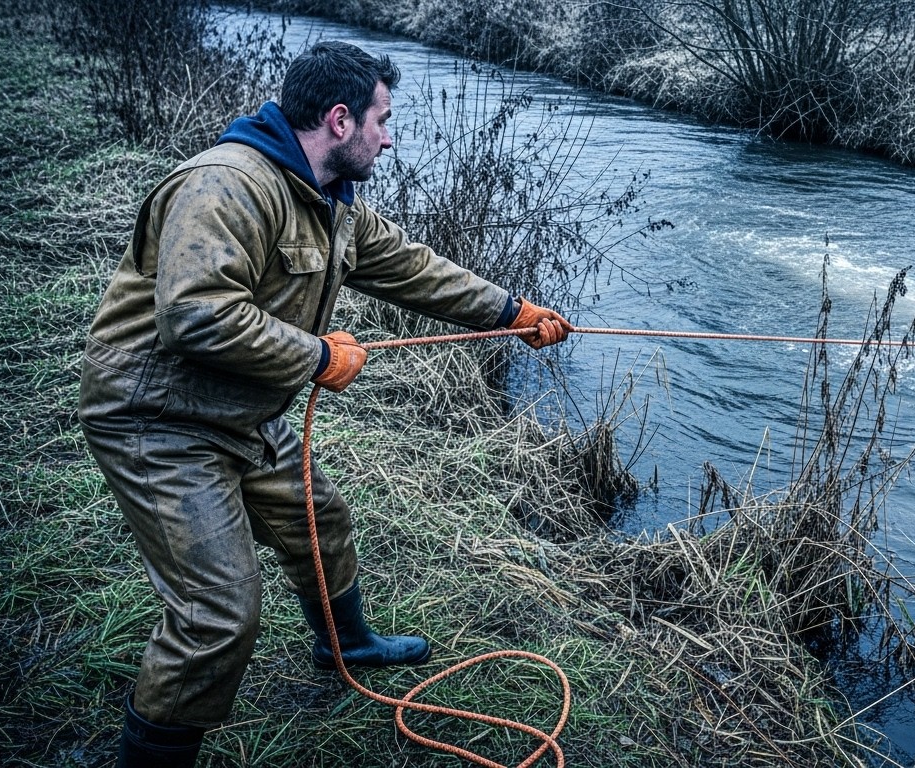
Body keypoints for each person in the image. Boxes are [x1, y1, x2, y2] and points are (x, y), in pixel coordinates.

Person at [77, 41, 572, 766]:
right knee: (218, 615)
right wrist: (315, 356)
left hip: (242, 410)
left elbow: (408, 266)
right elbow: (196, 315)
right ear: (340, 119)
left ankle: (348, 645)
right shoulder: (226, 185)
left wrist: (511, 311)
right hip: (159, 420)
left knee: (320, 521)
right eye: (383, 118)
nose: (389, 135)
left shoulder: (329, 201)